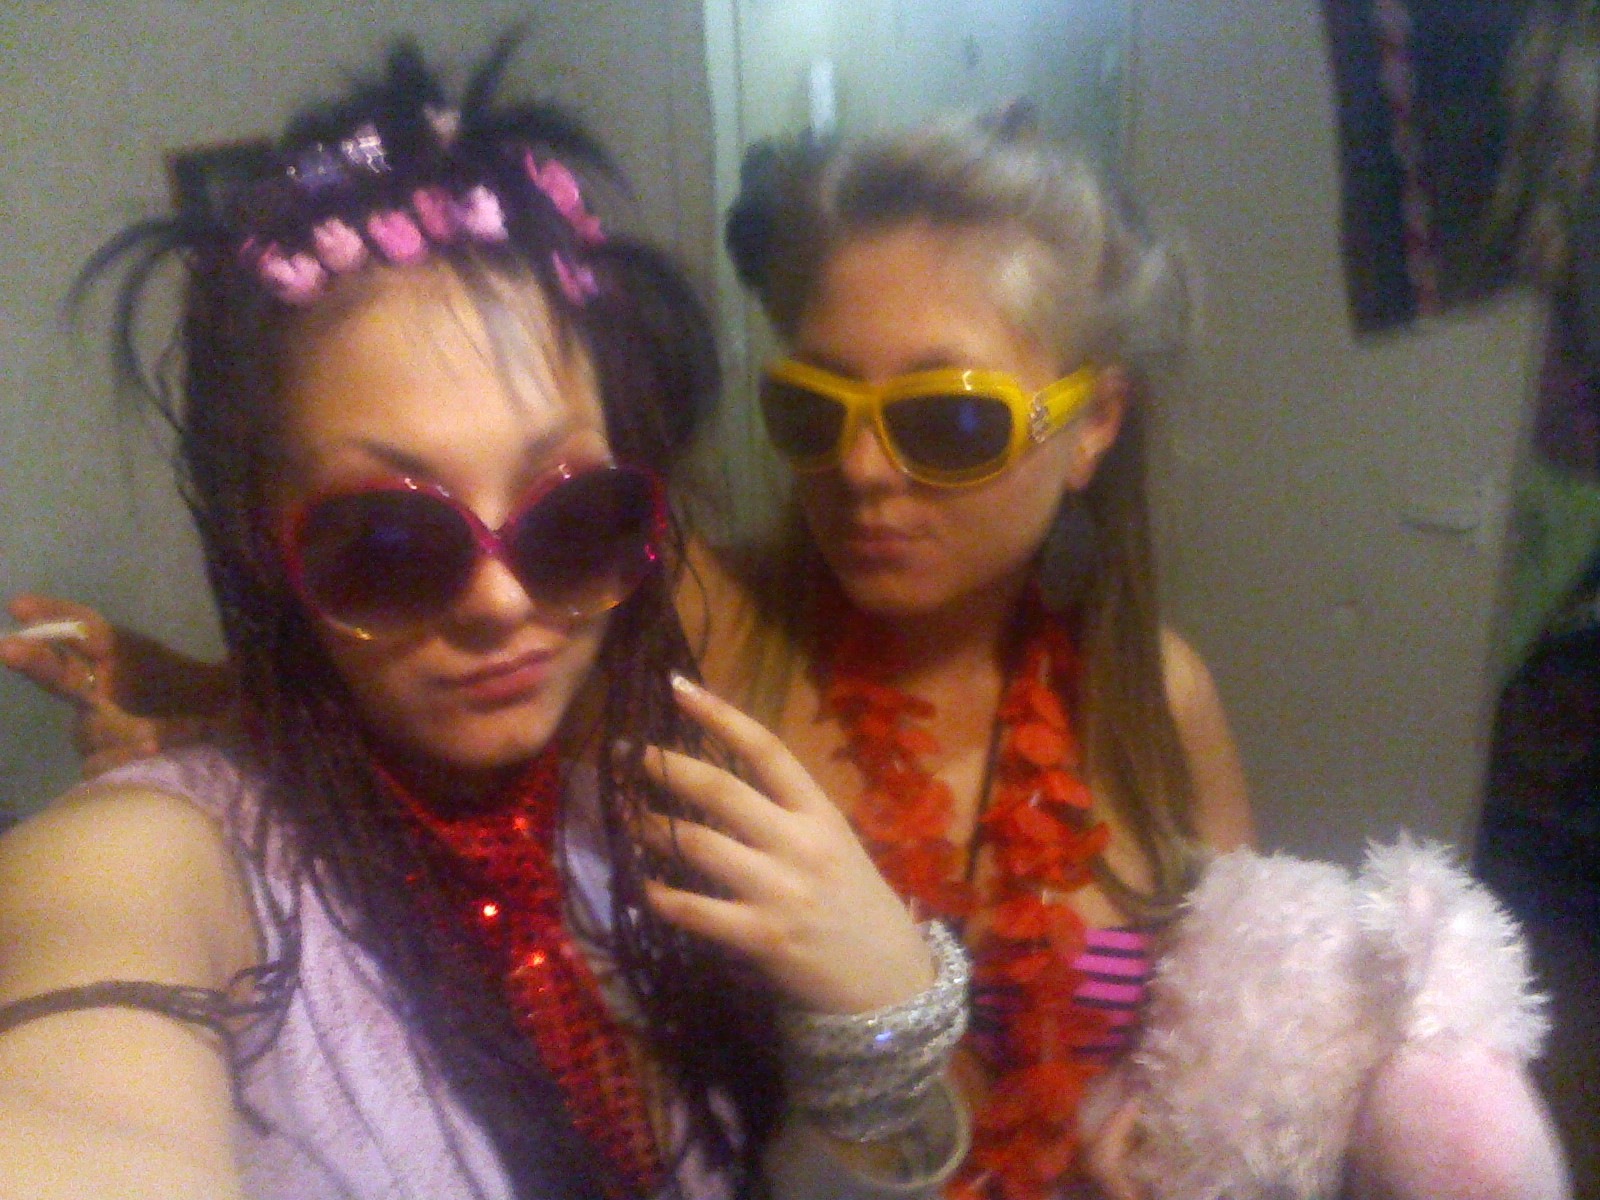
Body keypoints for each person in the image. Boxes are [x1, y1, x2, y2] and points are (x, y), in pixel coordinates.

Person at [5, 111, 1252, 1196]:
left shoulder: (1156, 695)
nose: (862, 471)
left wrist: (1168, 1119)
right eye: (812, 410)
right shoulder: (693, 621)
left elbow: (1240, 1005)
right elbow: (382, 732)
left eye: (949, 420)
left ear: (1094, 422)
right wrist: (183, 697)